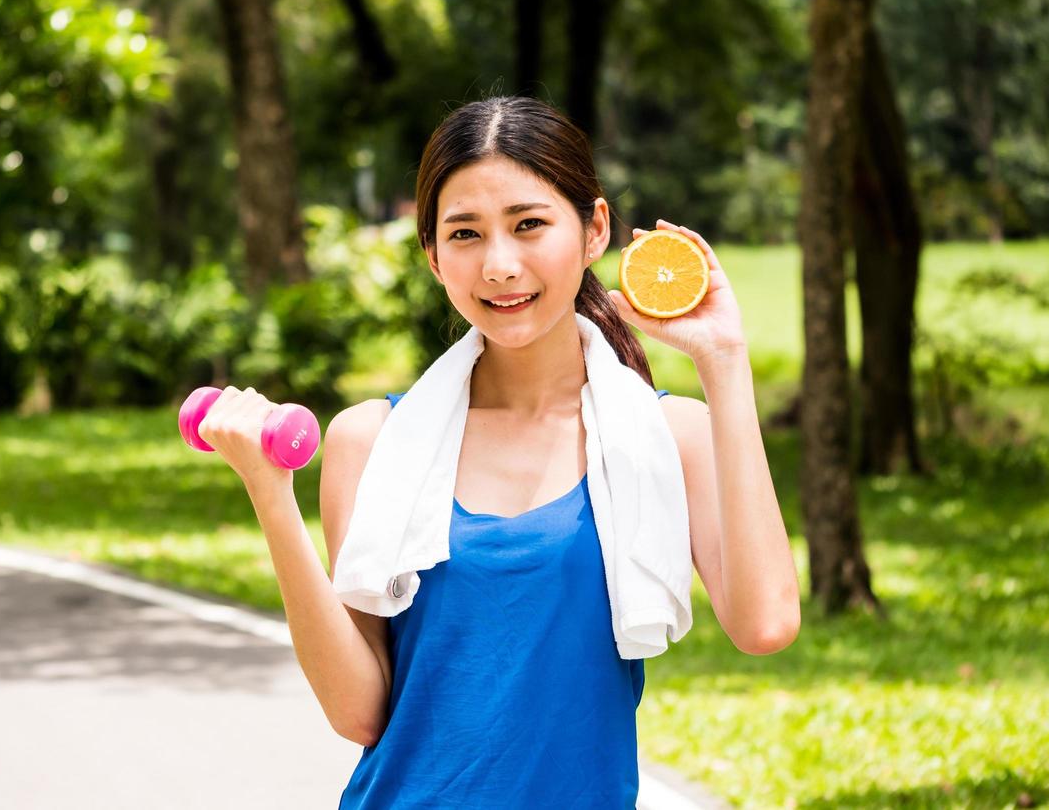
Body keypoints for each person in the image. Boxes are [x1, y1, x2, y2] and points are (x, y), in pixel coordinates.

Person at [195, 95, 800, 808]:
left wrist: (725, 362)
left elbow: (765, 625)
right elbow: (358, 712)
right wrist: (272, 496)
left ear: (594, 228)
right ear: (432, 254)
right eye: (466, 235)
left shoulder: (668, 435)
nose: (500, 264)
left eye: (529, 224)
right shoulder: (372, 443)